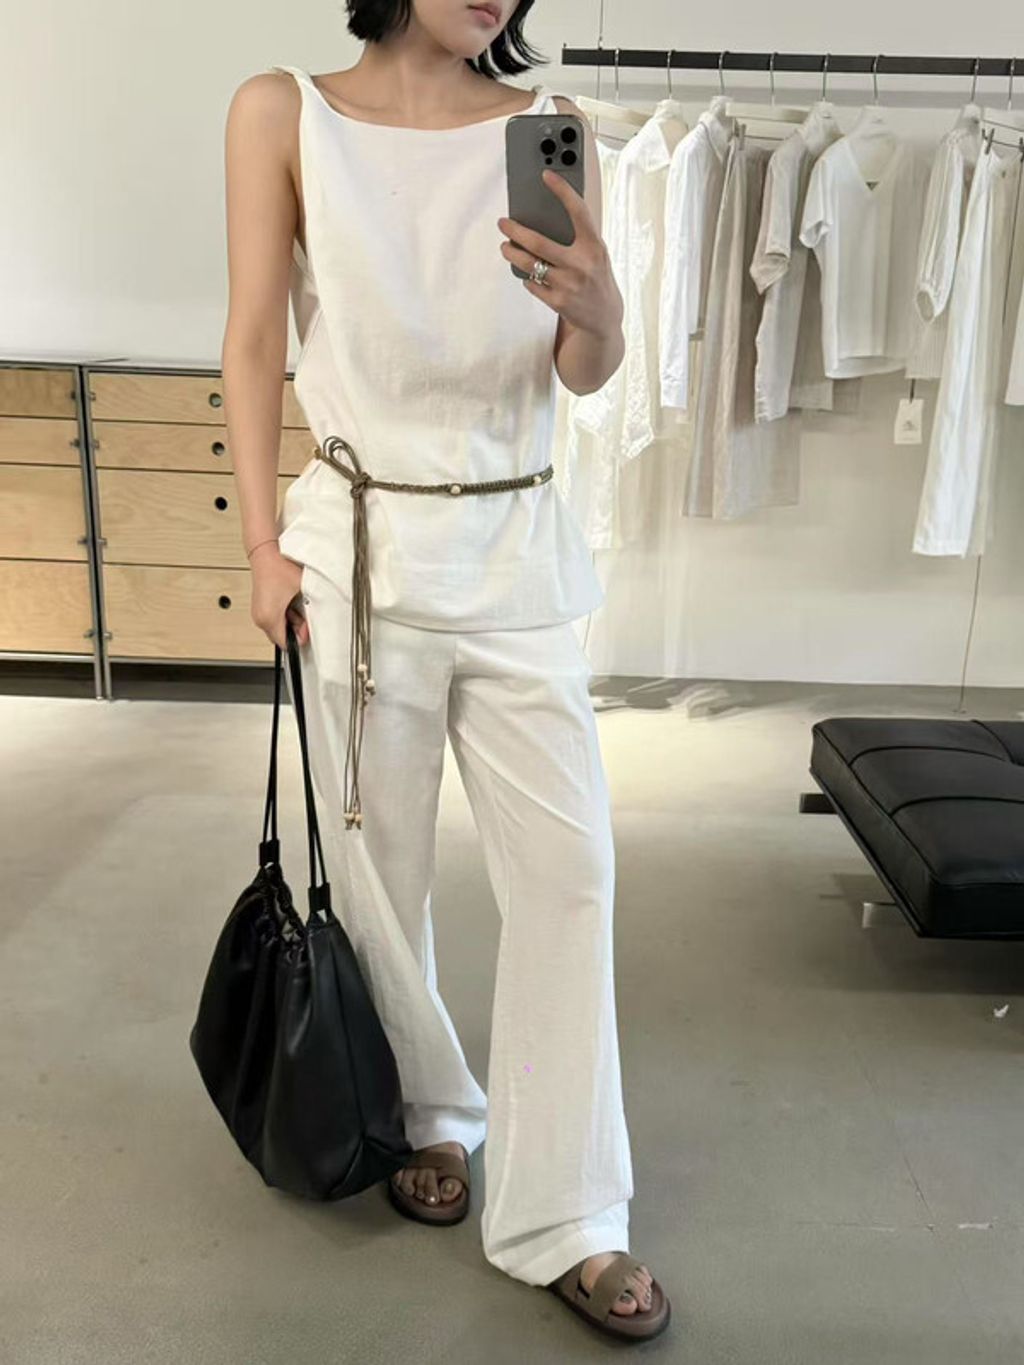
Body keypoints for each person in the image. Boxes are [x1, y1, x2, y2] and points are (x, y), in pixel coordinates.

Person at [220, 0, 669, 1342]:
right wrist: (262, 545)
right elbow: (254, 336)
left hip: (516, 545)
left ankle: (568, 1211)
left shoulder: (553, 131)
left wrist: (603, 314)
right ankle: (432, 1108)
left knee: (571, 876)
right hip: (356, 550)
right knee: (377, 872)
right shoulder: (283, 111)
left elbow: (581, 374)